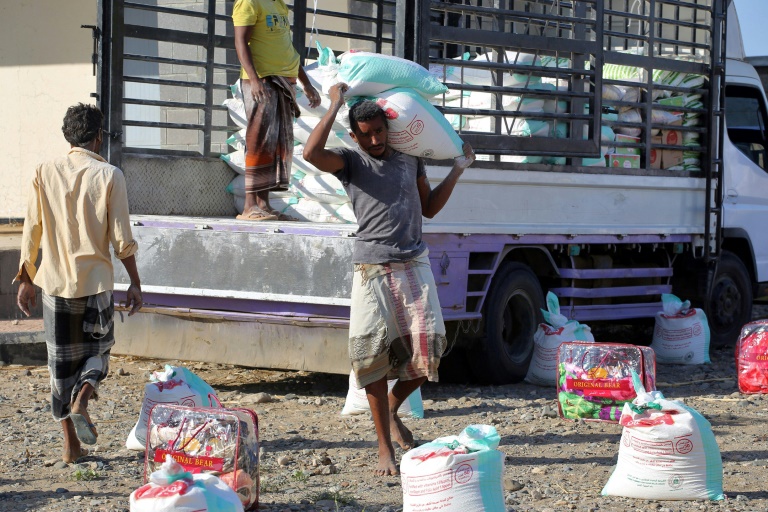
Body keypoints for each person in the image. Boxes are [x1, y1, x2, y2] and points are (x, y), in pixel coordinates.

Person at [303, 83, 475, 476]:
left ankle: (394, 409)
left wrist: (458, 170)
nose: (376, 139)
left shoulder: (410, 158)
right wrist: (333, 105)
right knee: (371, 357)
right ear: (355, 135)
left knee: (430, 350)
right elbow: (311, 154)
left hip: (414, 263)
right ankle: (384, 447)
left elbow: (429, 208)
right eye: (367, 134)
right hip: (371, 269)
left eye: (380, 131)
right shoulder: (349, 161)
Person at [15, 103, 143, 463]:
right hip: (96, 284)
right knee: (98, 352)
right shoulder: (109, 174)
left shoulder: (43, 171)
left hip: (54, 285)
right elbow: (121, 239)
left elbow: (32, 230)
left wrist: (26, 277)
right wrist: (135, 282)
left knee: (60, 366)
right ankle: (83, 398)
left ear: (67, 136)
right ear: (98, 136)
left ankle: (71, 447)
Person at [232, 0, 321, 221]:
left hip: (285, 81)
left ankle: (264, 204)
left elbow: (286, 48)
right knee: (259, 141)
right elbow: (240, 41)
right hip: (262, 80)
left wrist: (306, 83)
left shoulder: (279, 5)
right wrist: (254, 79)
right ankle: (249, 206)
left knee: (276, 145)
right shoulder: (249, 2)